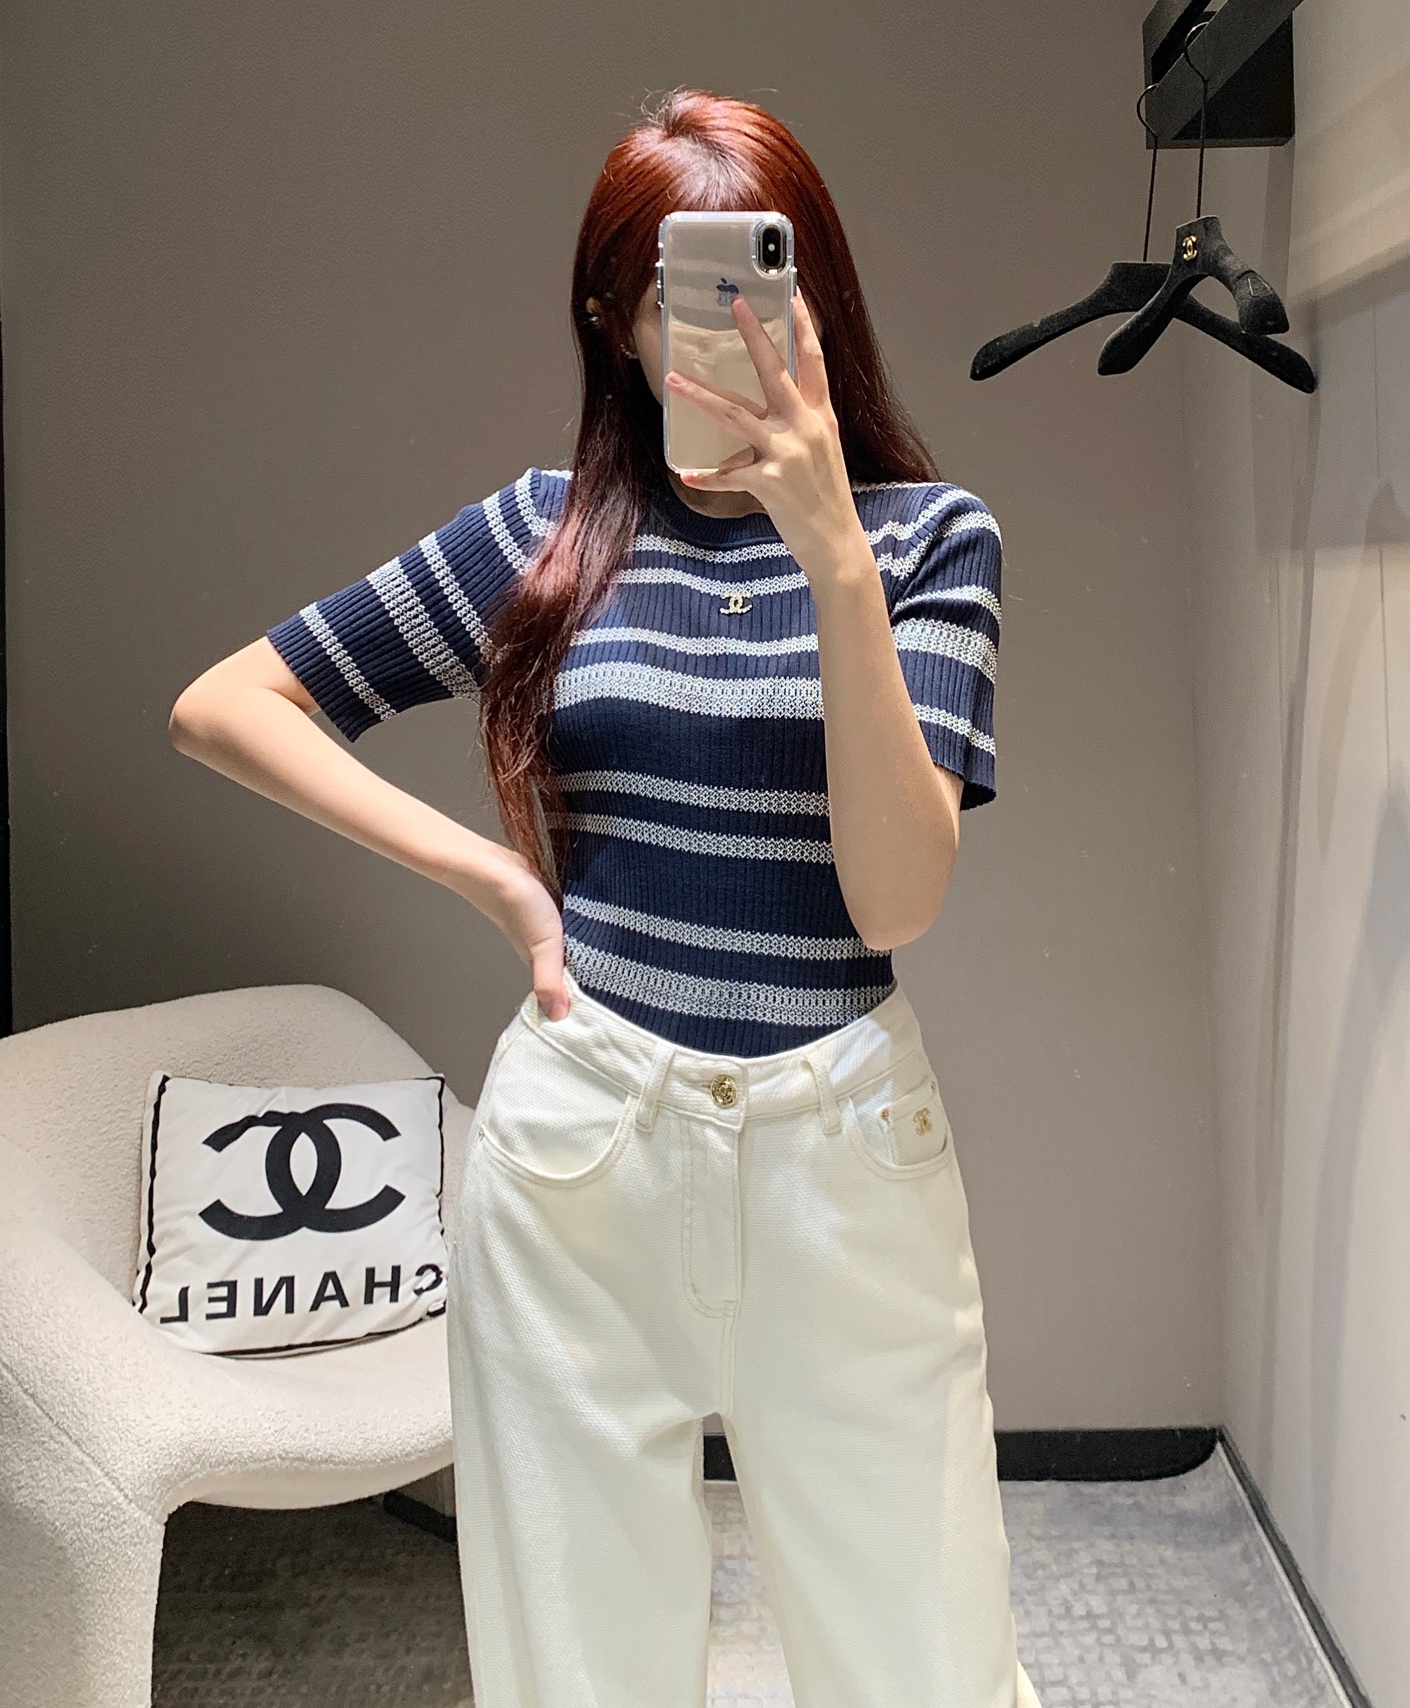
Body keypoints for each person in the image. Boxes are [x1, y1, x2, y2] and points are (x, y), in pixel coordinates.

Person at [169, 88, 1043, 1708]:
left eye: (762, 283)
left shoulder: (931, 545)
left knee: (923, 1664)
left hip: (843, 1157)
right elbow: (228, 706)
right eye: (672, 296)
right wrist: (492, 873)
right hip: (582, 1152)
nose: (723, 335)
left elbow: (895, 899)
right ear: (616, 325)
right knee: (579, 1672)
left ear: (822, 299)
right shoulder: (544, 539)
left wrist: (833, 555)